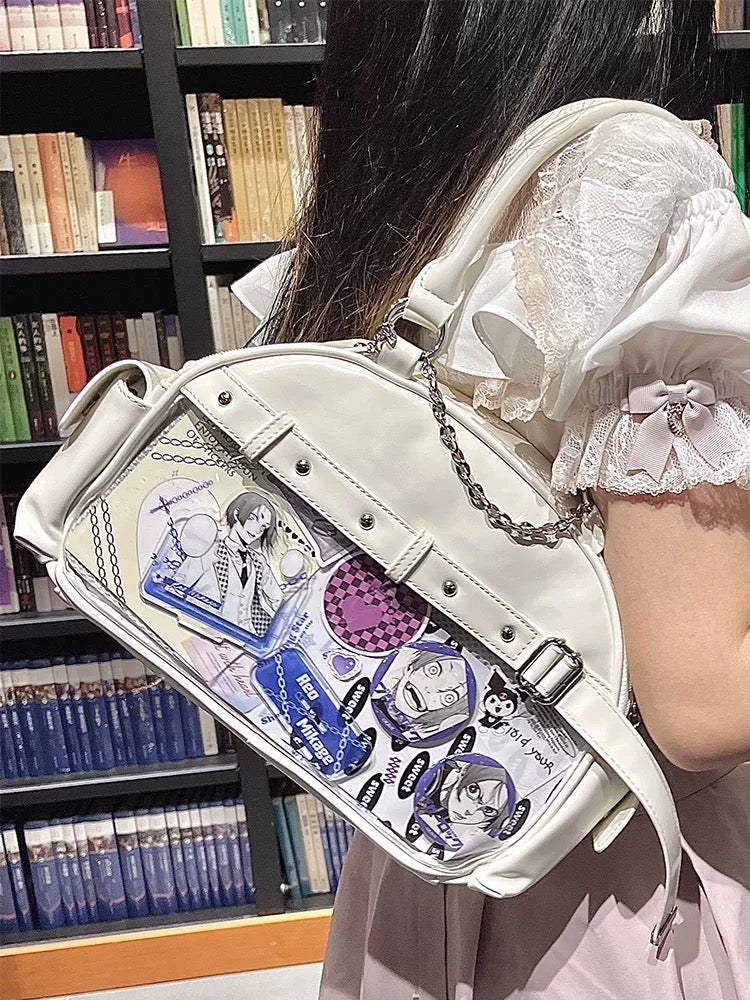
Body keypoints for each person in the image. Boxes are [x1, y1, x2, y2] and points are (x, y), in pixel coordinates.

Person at [233, 2, 750, 996]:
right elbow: (698, 699)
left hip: (439, 841)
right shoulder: (630, 180)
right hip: (619, 875)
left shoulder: (416, 179)